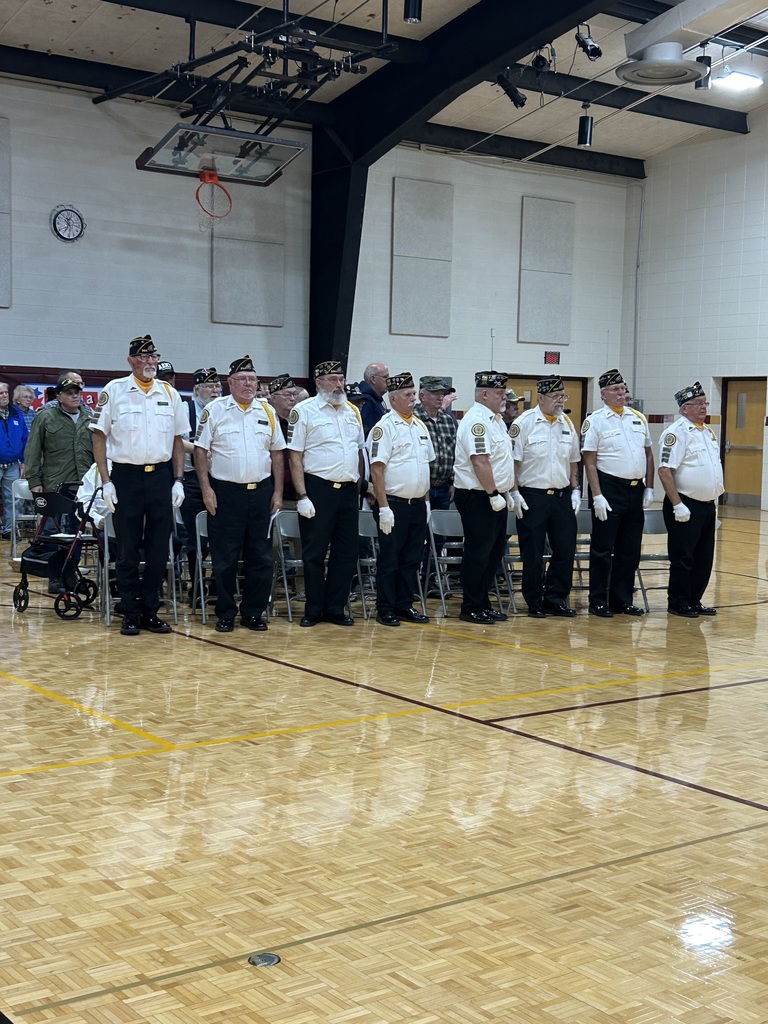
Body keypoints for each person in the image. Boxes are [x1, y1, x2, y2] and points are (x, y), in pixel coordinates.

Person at [90, 334, 188, 636]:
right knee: (128, 549)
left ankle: (150, 611)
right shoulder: (114, 391)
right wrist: (106, 482)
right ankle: (129, 612)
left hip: (160, 476)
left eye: (154, 358)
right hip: (126, 476)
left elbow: (177, 440)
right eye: (144, 358)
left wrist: (179, 481)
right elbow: (98, 436)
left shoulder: (170, 394)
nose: (150, 363)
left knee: (160, 548)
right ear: (132, 361)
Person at [194, 355, 285, 633]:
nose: (248, 384)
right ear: (230, 382)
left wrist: (278, 491)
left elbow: (277, 453)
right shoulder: (215, 410)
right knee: (225, 559)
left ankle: (253, 612)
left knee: (261, 557)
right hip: (225, 493)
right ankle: (225, 613)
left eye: (253, 379)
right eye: (243, 379)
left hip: (261, 493)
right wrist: (206, 489)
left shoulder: (267, 411)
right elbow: (199, 450)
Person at [287, 359, 365, 627]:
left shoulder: (352, 411)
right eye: (332, 379)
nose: (338, 384)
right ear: (318, 383)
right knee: (314, 553)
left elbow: (359, 451)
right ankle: (313, 608)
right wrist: (302, 496)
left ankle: (335, 608)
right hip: (317, 488)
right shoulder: (304, 411)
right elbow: (295, 456)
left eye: (341, 379)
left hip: (347, 490)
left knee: (346, 553)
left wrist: (359, 486)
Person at [581, 368, 654, 618]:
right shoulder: (596, 420)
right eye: (615, 389)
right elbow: (589, 460)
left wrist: (650, 486)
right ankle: (598, 600)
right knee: (602, 549)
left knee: (629, 549)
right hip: (608, 488)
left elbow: (648, 454)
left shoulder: (637, 418)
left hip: (635, 489)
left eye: (623, 388)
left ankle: (622, 598)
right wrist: (597, 494)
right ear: (603, 394)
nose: (622, 393)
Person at [511, 374, 581, 618]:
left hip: (561, 496)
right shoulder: (524, 423)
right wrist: (514, 492)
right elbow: (514, 463)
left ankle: (555, 598)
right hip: (533, 496)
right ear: (540, 398)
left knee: (565, 549)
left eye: (563, 396)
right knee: (533, 552)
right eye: (556, 396)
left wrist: (576, 490)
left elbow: (574, 461)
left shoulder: (567, 423)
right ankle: (534, 601)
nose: (560, 401)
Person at [367, 372, 434, 626]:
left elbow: (424, 467)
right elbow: (376, 469)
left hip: (416, 504)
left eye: (414, 394)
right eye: (407, 395)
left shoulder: (420, 426)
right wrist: (383, 507)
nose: (412, 399)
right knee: (390, 559)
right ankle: (385, 607)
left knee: (411, 559)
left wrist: (426, 501)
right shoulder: (384, 428)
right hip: (393, 505)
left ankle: (405, 604)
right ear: (393, 399)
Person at [453, 370, 516, 625]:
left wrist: (507, 491)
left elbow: (502, 461)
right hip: (478, 495)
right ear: (484, 394)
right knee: (478, 552)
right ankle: (470, 606)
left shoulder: (496, 420)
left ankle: (483, 602)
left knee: (494, 552)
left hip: (494, 494)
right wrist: (493, 493)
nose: (504, 398)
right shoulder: (476, 421)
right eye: (500, 394)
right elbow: (480, 461)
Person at [658, 381, 724, 617]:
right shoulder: (676, 433)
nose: (702, 408)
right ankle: (678, 601)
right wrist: (677, 505)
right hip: (685, 504)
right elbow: (665, 471)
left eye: (705, 403)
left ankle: (694, 599)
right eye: (697, 404)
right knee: (683, 557)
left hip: (706, 506)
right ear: (684, 408)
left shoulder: (707, 432)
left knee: (704, 557)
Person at [180, 367, 222, 592]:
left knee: (220, 537)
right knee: (196, 540)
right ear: (196, 390)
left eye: (217, 386)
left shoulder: (225, 410)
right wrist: (199, 448)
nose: (214, 391)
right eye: (209, 386)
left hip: (219, 479)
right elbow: (176, 441)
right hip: (193, 480)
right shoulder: (187, 409)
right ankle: (196, 585)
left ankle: (217, 584)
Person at [413, 375, 457, 512]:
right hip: (418, 488)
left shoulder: (448, 421)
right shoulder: (413, 420)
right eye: (435, 393)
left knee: (441, 530)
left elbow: (454, 453)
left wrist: (453, 482)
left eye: (442, 394)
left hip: (444, 488)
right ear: (422, 396)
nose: (440, 397)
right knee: (421, 530)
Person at [0, 381, 29, 540]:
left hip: (13, 464)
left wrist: (24, 461)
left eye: (6, 392)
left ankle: (9, 530)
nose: (4, 396)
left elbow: (25, 438)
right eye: (1, 393)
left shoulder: (16, 413)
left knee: (13, 499)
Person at [268, 373, 300, 505]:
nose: (292, 399)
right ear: (274, 398)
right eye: (287, 395)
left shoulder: (300, 422)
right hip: (271, 488)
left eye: (294, 394)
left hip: (298, 489)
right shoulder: (266, 421)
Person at [358, 362, 389, 437]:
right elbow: (368, 433)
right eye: (385, 377)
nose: (389, 381)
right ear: (373, 379)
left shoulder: (375, 399)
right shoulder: (367, 401)